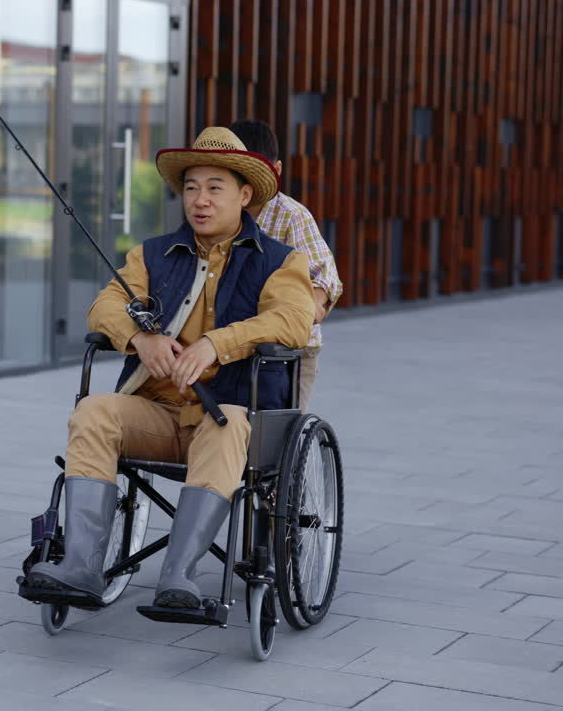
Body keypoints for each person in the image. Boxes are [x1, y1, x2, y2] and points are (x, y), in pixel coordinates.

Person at [20, 126, 315, 611]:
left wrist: (216, 345)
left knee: (228, 425)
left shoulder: (282, 261)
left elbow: (294, 320)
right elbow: (104, 306)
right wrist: (141, 338)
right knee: (95, 411)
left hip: (228, 418)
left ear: (244, 194)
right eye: (192, 187)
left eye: (214, 188)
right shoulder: (151, 254)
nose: (199, 200)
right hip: (156, 414)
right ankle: (81, 566)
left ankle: (179, 575)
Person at [229, 120, 343, 409]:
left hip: (291, 351)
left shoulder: (291, 216)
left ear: (276, 171)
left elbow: (326, 277)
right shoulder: (222, 214)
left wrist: (310, 308)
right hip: (237, 341)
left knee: (281, 427)